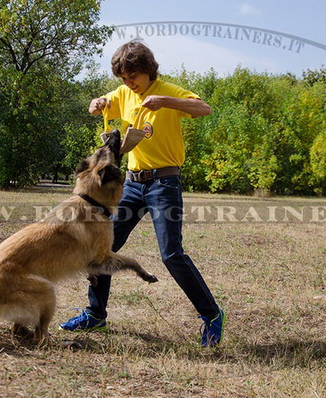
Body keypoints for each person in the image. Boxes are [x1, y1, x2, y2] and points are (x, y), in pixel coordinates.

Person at [59, 40, 225, 347]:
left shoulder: (170, 91)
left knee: (171, 254)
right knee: (101, 250)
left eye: (132, 77)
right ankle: (95, 314)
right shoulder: (124, 94)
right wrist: (96, 103)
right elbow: (97, 105)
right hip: (131, 185)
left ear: (147, 70)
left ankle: (212, 316)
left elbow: (204, 108)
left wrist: (166, 102)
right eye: (122, 79)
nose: (128, 83)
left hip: (164, 184)